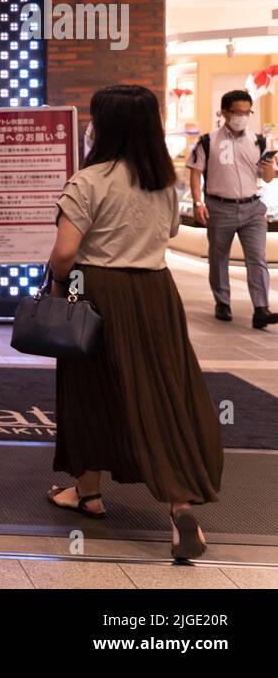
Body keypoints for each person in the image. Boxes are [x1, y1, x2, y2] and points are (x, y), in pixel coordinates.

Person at [44, 85, 222, 562]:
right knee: (161, 392)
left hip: (94, 290)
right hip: (155, 293)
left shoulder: (89, 180)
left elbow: (64, 254)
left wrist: (63, 281)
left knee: (86, 388)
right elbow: (167, 233)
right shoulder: (164, 181)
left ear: (104, 126)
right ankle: (178, 503)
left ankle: (89, 493)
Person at [187, 90, 278, 330]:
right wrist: (198, 203)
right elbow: (195, 173)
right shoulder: (208, 141)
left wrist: (270, 166)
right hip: (219, 207)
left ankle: (261, 309)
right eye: (238, 112)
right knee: (219, 258)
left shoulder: (259, 140)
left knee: (257, 258)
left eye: (247, 112)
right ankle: (223, 302)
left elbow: (267, 178)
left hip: (252, 208)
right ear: (225, 112)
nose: (243, 117)